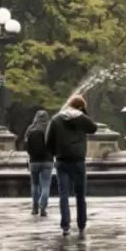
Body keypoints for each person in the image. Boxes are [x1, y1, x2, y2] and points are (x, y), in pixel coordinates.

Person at [45, 94, 98, 237]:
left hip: (62, 160)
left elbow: (48, 140)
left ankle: (65, 226)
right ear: (81, 107)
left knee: (63, 194)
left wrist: (55, 152)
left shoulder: (56, 119)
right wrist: (84, 114)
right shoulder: (81, 119)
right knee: (80, 195)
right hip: (78, 160)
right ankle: (81, 224)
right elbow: (93, 128)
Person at [24, 109, 53, 217]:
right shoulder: (50, 129)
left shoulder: (30, 129)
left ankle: (34, 208)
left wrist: (31, 154)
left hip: (34, 161)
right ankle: (43, 207)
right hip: (48, 161)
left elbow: (26, 145)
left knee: (35, 185)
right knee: (45, 185)